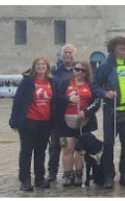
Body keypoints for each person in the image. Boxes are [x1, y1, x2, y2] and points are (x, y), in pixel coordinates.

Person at [91, 35, 125, 189]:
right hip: (111, 111)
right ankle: (108, 175)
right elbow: (95, 85)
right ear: (113, 47)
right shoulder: (105, 65)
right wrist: (105, 93)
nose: (122, 46)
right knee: (108, 145)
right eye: (118, 44)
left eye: (124, 44)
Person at [9, 56, 55, 191]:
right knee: (26, 151)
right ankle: (25, 180)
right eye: (38, 64)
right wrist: (14, 121)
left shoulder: (51, 82)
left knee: (41, 151)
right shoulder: (27, 81)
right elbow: (17, 101)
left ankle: (40, 178)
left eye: (43, 64)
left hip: (45, 121)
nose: (41, 66)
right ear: (34, 67)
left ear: (47, 67)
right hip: (29, 120)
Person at [55, 60, 100, 187]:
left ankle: (79, 174)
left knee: (80, 149)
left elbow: (97, 103)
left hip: (83, 122)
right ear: (73, 70)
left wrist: (86, 112)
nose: (79, 72)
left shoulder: (90, 85)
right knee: (67, 148)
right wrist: (68, 99)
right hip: (65, 122)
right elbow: (56, 99)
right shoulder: (64, 83)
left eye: (82, 70)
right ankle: (68, 174)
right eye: (77, 69)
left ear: (87, 72)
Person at [48, 44, 78, 182]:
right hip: (57, 114)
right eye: (65, 52)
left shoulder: (78, 70)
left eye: (70, 52)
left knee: (74, 145)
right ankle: (52, 172)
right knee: (55, 145)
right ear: (61, 55)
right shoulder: (54, 71)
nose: (67, 54)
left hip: (74, 115)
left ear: (74, 55)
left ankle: (72, 172)